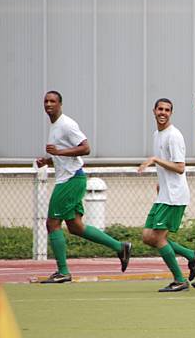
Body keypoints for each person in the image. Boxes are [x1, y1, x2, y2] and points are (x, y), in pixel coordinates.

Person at [36, 91, 131, 283]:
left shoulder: (66, 124)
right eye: (46, 101)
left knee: (52, 223)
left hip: (70, 181)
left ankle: (63, 272)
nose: (48, 104)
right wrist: (49, 160)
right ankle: (120, 247)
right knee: (76, 227)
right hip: (71, 177)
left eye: (52, 101)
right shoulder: (54, 126)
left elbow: (86, 148)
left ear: (60, 104)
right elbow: (65, 156)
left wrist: (59, 152)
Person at [138, 98, 195, 292]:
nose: (163, 112)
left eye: (167, 110)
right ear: (154, 110)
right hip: (164, 194)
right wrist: (161, 183)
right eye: (160, 109)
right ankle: (192, 256)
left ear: (171, 113)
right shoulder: (157, 135)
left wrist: (155, 159)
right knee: (147, 236)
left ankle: (180, 280)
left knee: (158, 238)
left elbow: (180, 167)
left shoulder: (173, 136)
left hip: (175, 196)